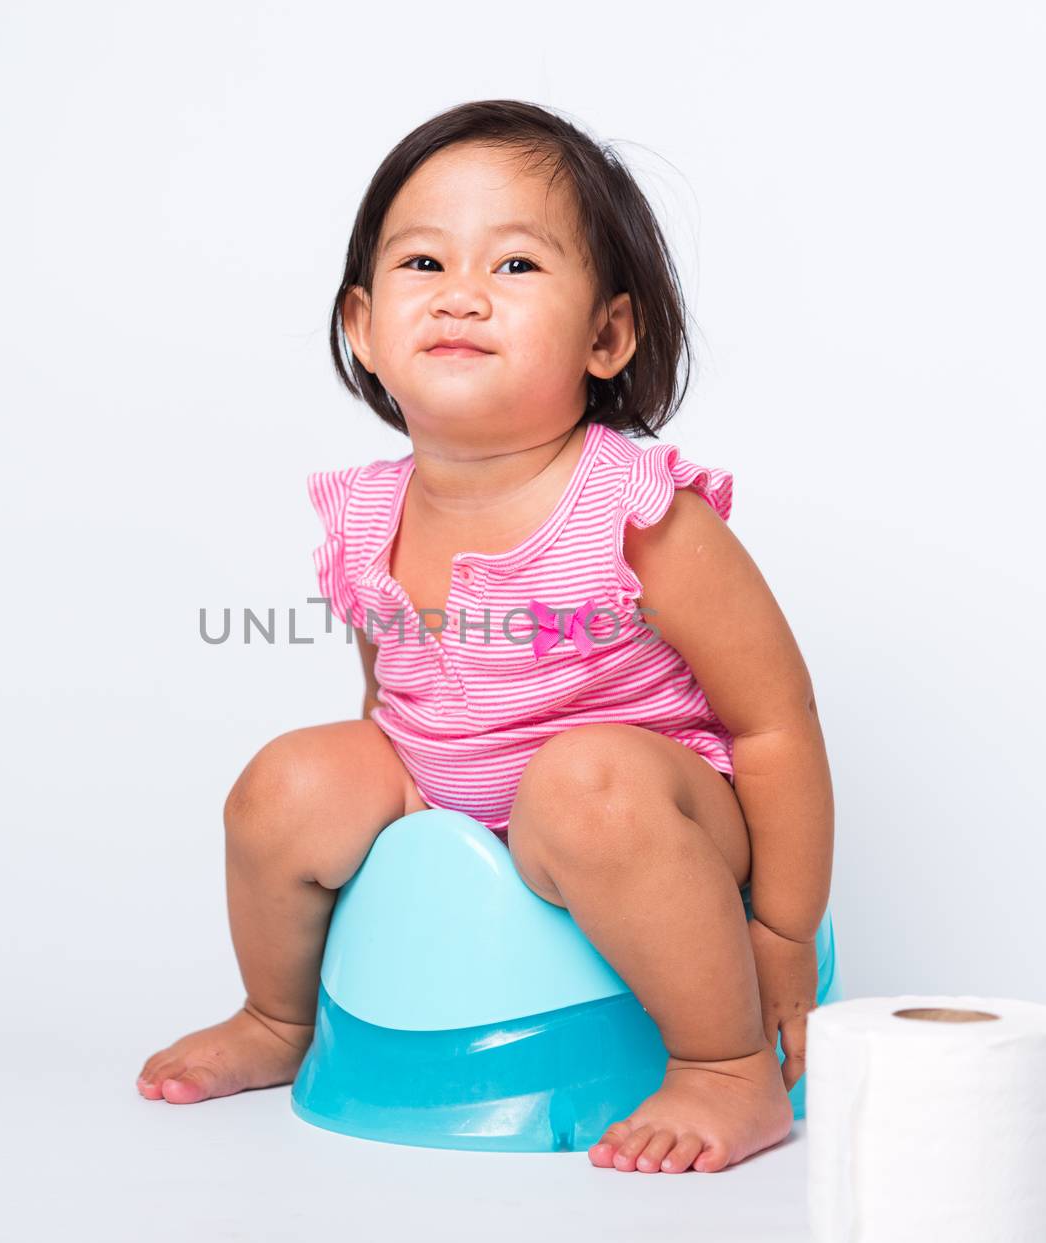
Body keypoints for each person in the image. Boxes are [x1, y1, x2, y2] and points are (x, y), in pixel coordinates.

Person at [137, 99, 834, 1176]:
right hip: (456, 802)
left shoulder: (639, 513)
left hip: (653, 811)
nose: (462, 291)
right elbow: (395, 704)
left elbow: (775, 723)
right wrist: (378, 791)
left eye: (515, 267)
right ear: (362, 326)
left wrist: (785, 938)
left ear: (606, 335)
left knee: (581, 778)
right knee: (290, 780)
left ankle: (722, 1063)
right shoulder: (367, 519)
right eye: (422, 262)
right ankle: (278, 1019)